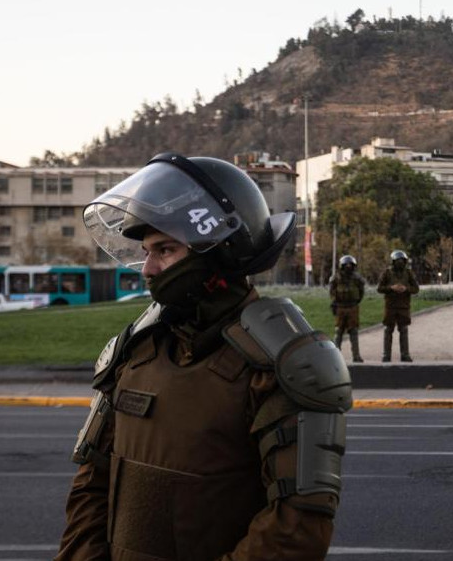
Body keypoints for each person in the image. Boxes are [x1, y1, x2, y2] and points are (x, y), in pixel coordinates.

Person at [56, 152, 352, 561]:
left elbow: (297, 527)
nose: (148, 269)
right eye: (146, 251)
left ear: (217, 252)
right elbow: (92, 483)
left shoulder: (284, 366)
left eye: (165, 250)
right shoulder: (133, 351)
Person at [376, 249, 419, 362]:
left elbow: (416, 289)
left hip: (403, 306)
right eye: (397, 260)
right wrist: (391, 288)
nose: (400, 262)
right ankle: (386, 355)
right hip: (390, 306)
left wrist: (406, 289)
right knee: (388, 330)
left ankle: (405, 354)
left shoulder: (408, 273)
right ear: (393, 261)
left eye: (402, 260)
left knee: (403, 330)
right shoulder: (387, 273)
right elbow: (379, 288)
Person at [328, 254, 365, 363]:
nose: (348, 266)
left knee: (353, 331)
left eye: (350, 264)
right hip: (340, 307)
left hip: (352, 307)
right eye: (346, 264)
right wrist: (335, 302)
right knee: (338, 331)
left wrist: (356, 301)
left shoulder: (357, 278)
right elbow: (332, 291)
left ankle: (356, 356)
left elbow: (361, 292)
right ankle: (335, 356)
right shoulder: (336, 278)